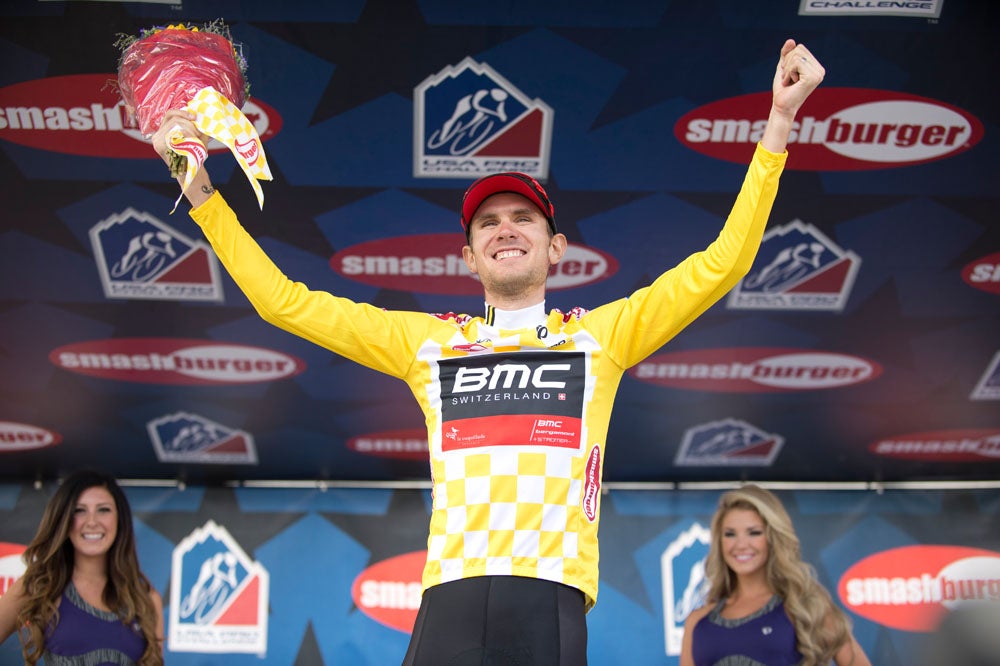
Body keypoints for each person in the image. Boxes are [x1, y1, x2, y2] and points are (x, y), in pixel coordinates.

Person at [153, 39, 824, 666]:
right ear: (469, 257)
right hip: (451, 592)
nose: (507, 230)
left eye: (524, 218)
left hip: (552, 592)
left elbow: (724, 264)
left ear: (556, 248)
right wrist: (203, 195)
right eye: (488, 224)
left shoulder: (603, 337)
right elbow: (283, 302)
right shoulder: (428, 344)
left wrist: (778, 121)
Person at [680, 484, 871, 666]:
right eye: (730, 534)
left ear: (773, 537)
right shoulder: (698, 622)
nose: (741, 544)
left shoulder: (804, 606)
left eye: (753, 533)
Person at [0, 469, 164, 666]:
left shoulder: (145, 598)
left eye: (103, 509)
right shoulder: (41, 586)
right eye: (79, 510)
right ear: (63, 520)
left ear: (120, 520)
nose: (92, 522)